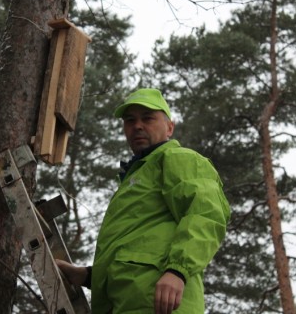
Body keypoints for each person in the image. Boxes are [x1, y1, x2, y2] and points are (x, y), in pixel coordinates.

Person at [57, 88, 230, 314]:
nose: (137, 125)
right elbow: (134, 246)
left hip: (160, 305)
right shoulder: (136, 177)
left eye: (148, 118)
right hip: (126, 305)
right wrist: (89, 276)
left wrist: (177, 271)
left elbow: (206, 214)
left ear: (170, 127)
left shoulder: (178, 158)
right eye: (130, 120)